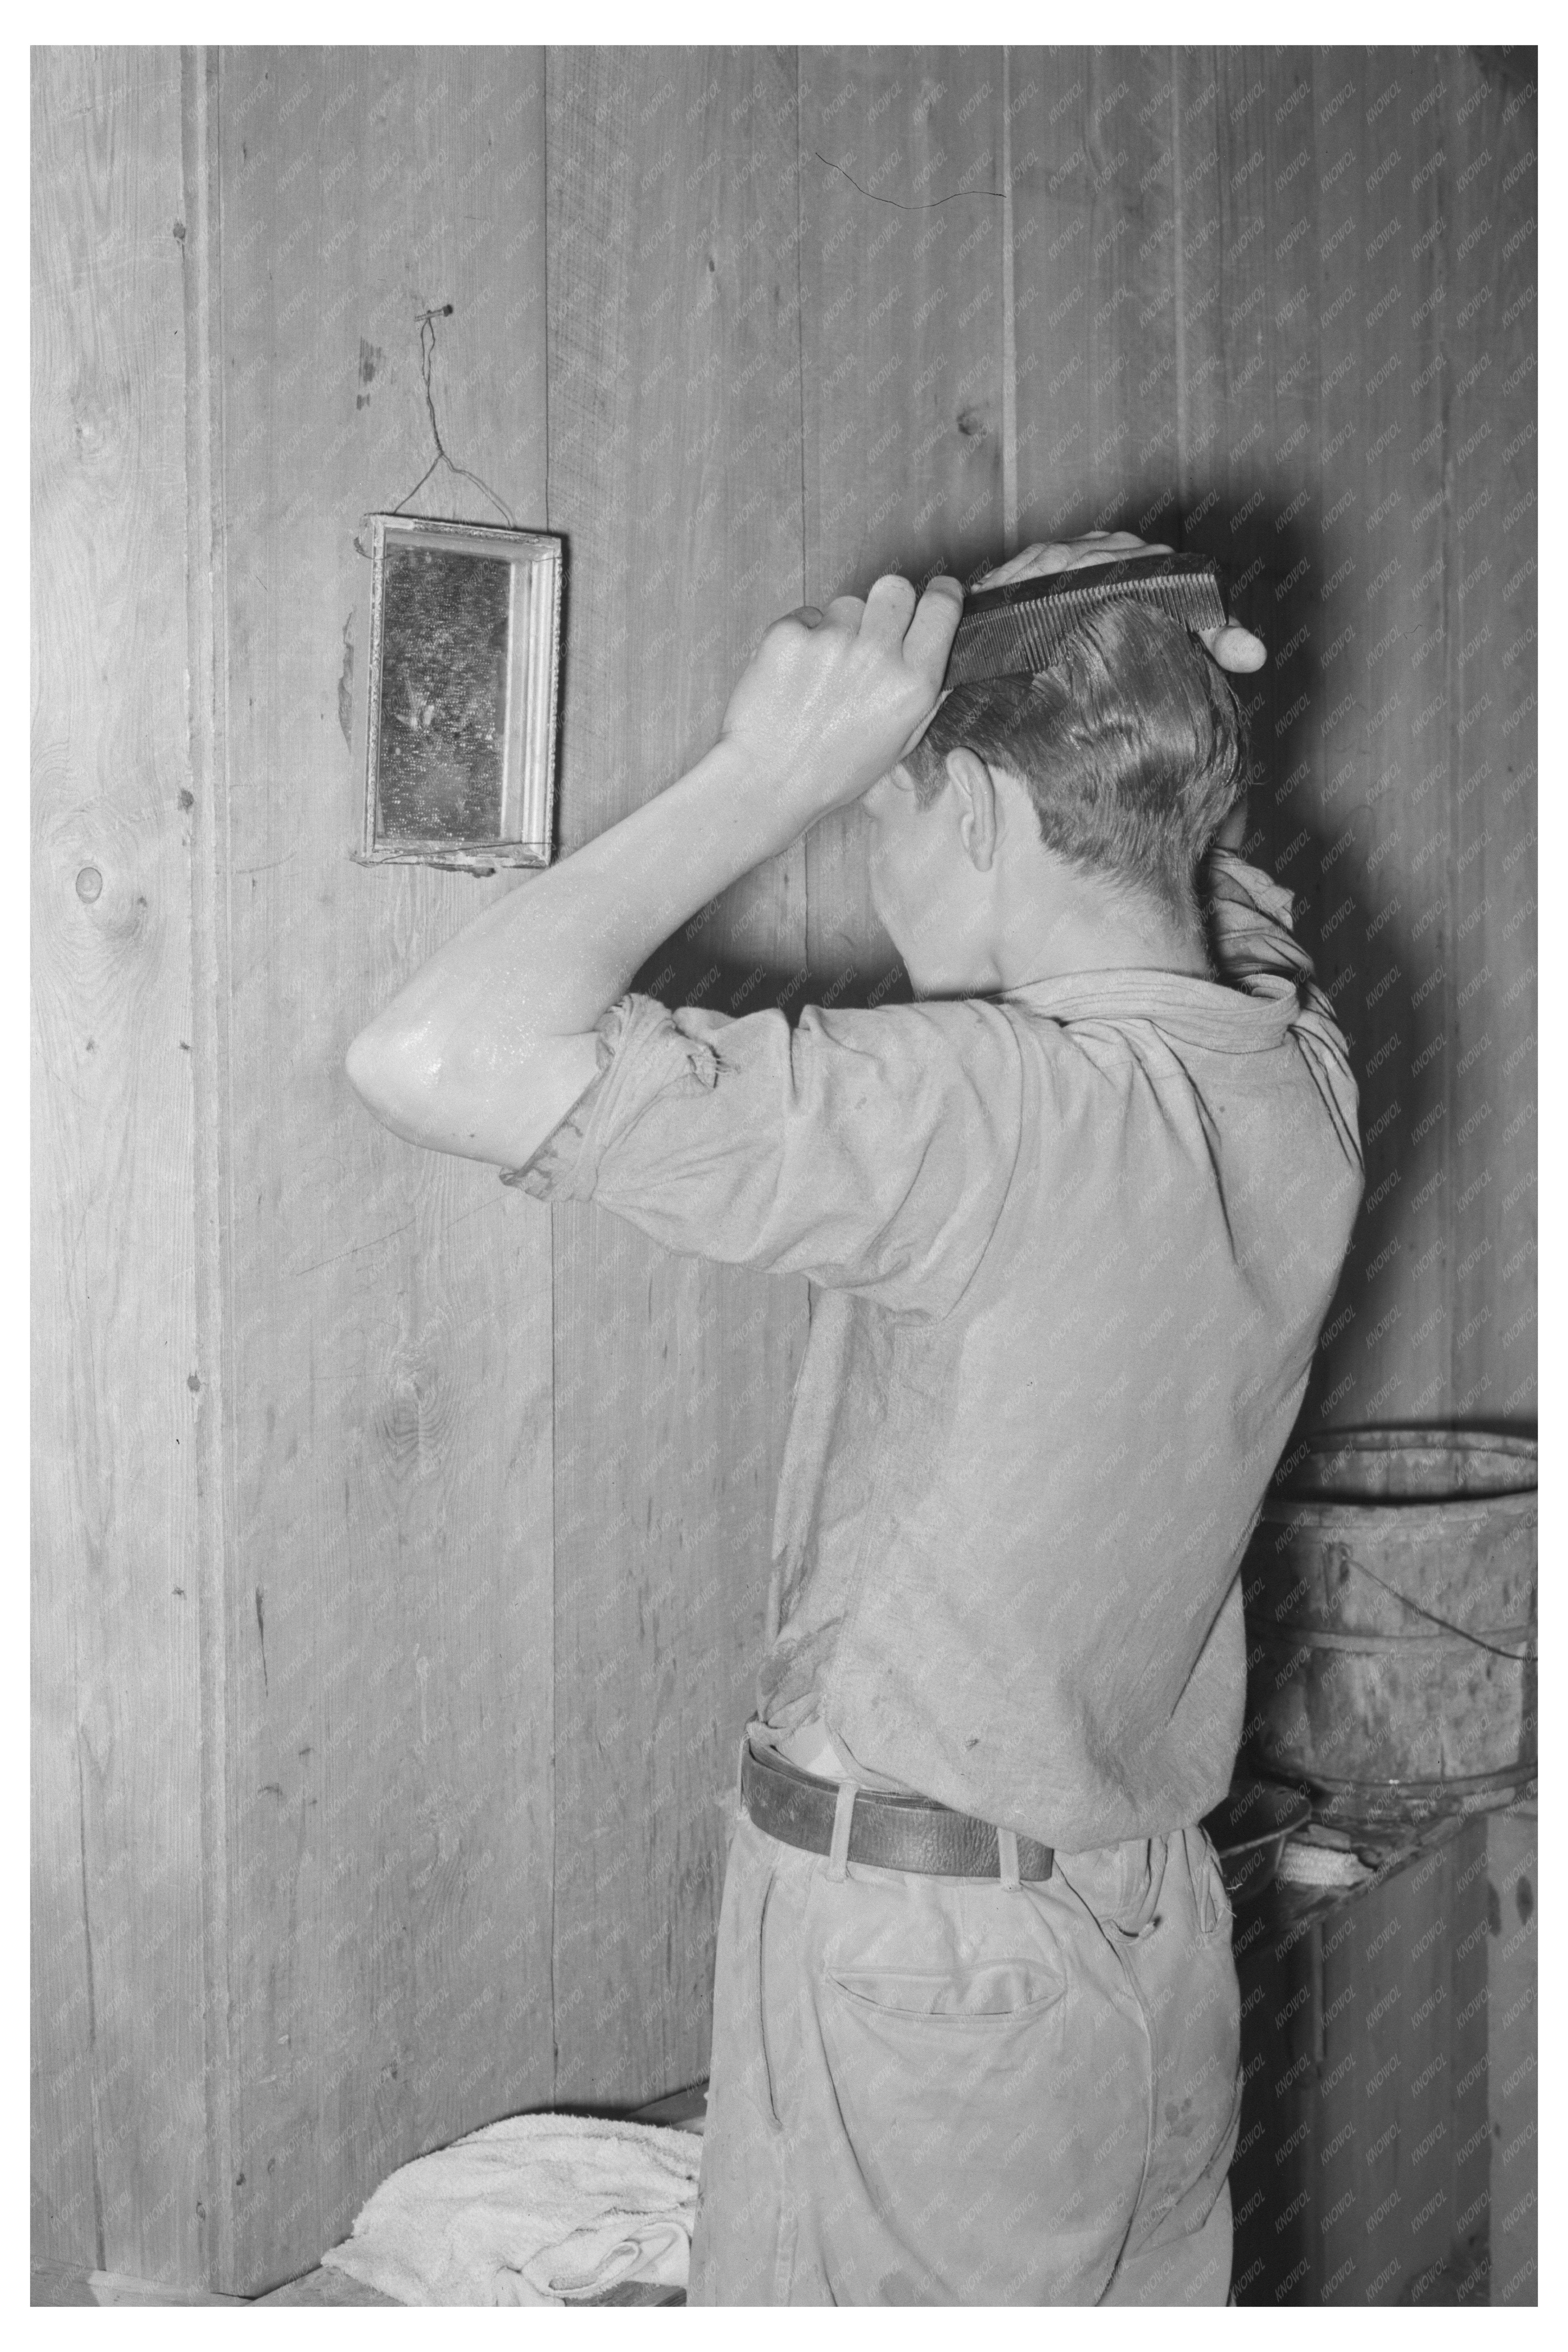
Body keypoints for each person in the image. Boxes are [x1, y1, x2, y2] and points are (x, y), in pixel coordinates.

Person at [346, 528, 1364, 2306]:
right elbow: (1209, 891)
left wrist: (769, 770)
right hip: (1136, 1936)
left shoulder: (994, 1120)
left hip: (927, 1976)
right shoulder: (1292, 1076)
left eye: (877, 813)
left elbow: (429, 1057)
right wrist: (1127, 636)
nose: (868, 855)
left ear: (967, 805)